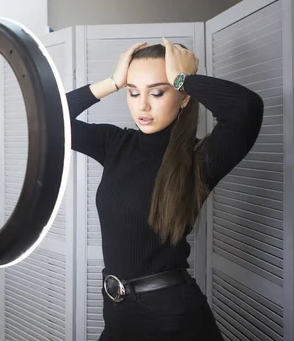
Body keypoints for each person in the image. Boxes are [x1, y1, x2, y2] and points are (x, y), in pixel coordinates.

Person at [67, 39, 263, 340]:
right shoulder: (115, 144)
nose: (142, 105)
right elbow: (52, 119)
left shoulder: (199, 160)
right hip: (117, 311)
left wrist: (183, 78)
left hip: (171, 318)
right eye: (133, 92)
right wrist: (112, 82)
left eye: (158, 92)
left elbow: (246, 109)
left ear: (184, 98)